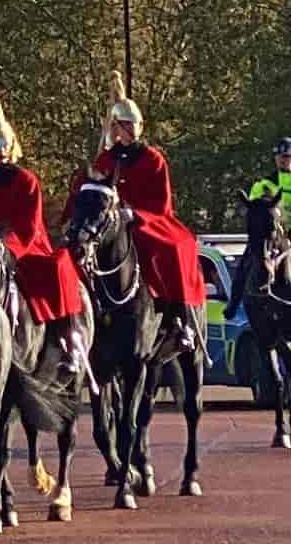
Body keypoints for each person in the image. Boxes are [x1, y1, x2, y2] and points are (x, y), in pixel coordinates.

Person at [0, 85, 87, 377]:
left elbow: (27, 226)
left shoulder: (25, 180)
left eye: (3, 147)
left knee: (55, 270)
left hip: (23, 246)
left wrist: (5, 245)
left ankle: (67, 340)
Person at [72, 70, 206, 352]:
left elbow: (161, 203)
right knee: (80, 247)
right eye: (121, 125)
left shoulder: (152, 159)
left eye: (130, 125)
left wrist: (133, 214)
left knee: (174, 248)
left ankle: (179, 317)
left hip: (147, 220)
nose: (126, 130)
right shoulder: (105, 158)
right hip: (108, 222)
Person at [225, 136, 291, 322]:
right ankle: (234, 302)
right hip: (272, 233)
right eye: (280, 156)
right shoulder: (264, 184)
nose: (283, 160)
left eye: (287, 156)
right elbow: (256, 208)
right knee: (246, 262)